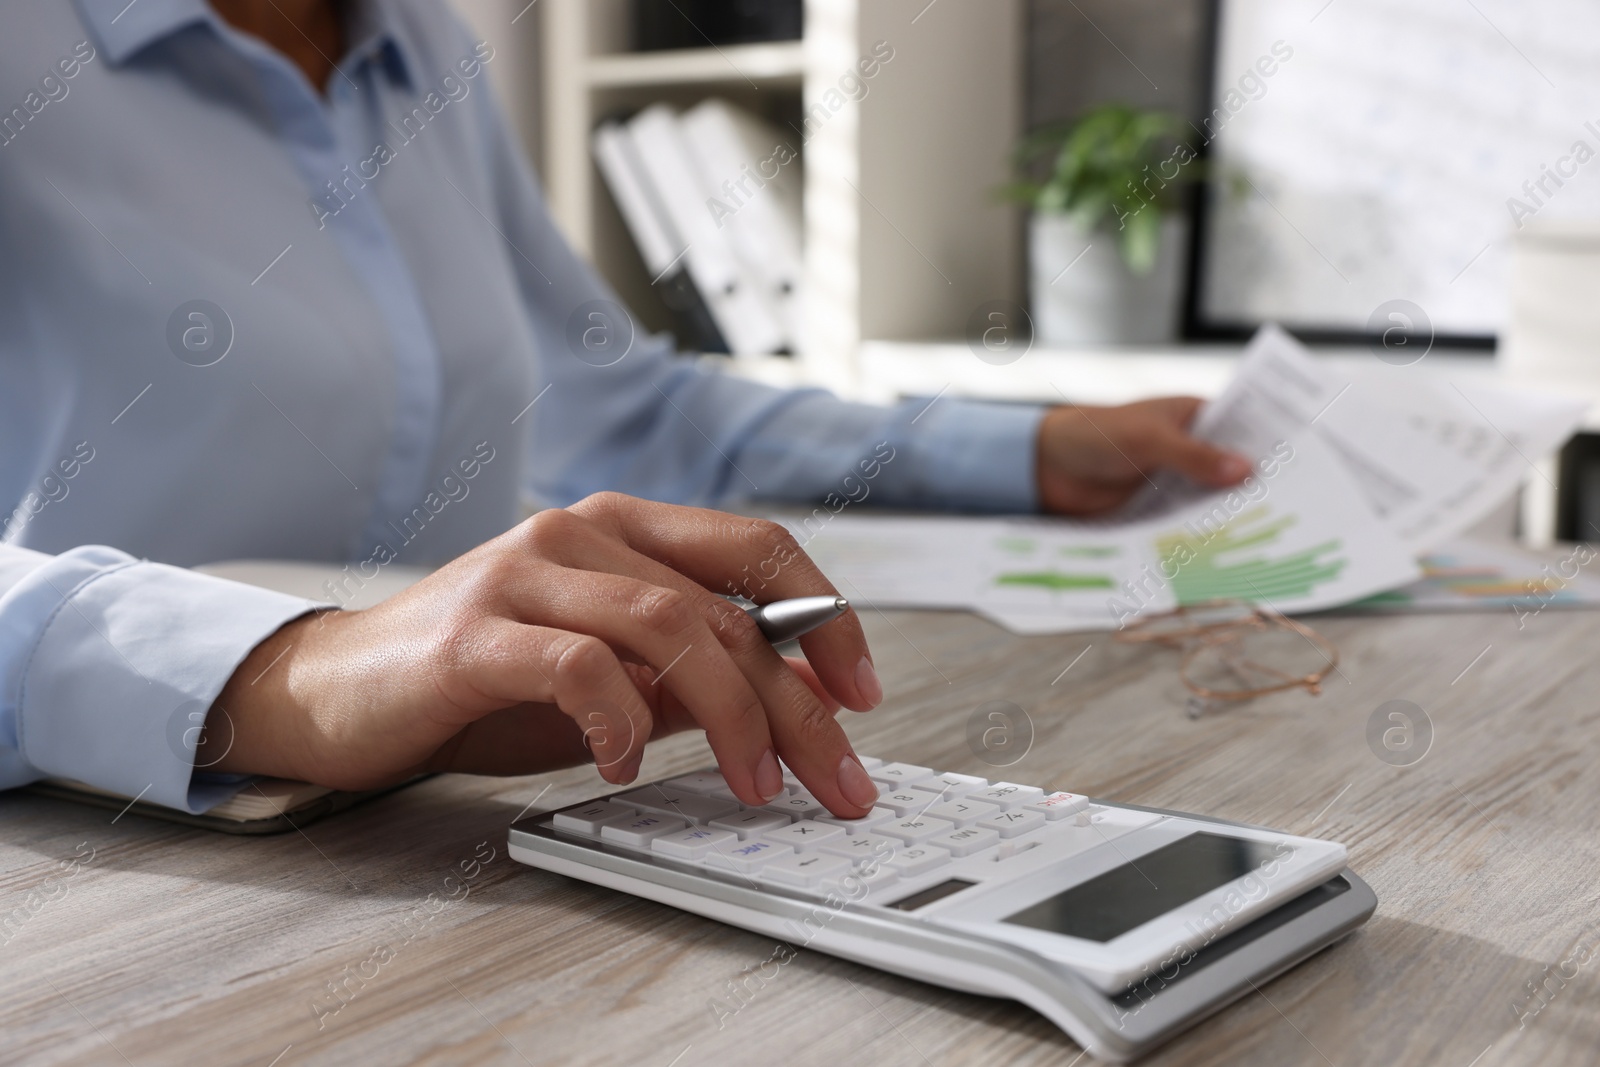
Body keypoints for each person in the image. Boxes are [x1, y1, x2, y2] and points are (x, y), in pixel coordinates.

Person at [0, 0, 1249, 820]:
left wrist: (1022, 444)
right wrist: (283, 670)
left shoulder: (420, 45)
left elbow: (618, 399)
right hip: (107, 870)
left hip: (464, 823)